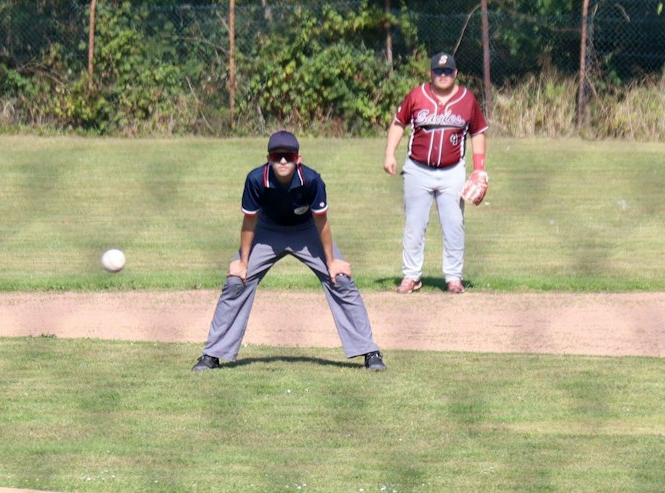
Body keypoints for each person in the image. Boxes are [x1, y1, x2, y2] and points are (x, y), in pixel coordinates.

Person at [192, 130, 385, 372]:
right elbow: (249, 222)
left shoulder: (312, 180)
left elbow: (322, 222)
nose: (283, 161)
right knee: (235, 281)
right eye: (277, 156)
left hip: (307, 231)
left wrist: (332, 261)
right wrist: (242, 262)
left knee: (341, 280)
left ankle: (369, 351)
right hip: (266, 231)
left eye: (288, 156)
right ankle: (212, 354)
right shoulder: (255, 179)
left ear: (298, 159)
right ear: (268, 158)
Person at [384, 51, 489, 295]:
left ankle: (453, 278)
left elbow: (478, 132)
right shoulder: (416, 95)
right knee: (414, 225)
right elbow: (399, 123)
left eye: (448, 71)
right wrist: (390, 153)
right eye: (438, 71)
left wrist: (479, 167)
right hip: (417, 169)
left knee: (454, 225)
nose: (443, 75)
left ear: (456, 74)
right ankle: (411, 276)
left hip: (452, 171)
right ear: (431, 73)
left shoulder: (467, 100)